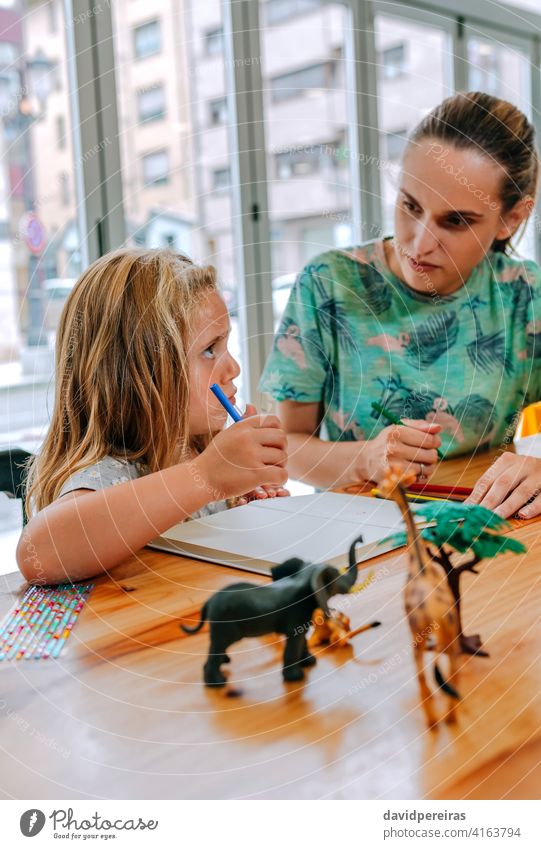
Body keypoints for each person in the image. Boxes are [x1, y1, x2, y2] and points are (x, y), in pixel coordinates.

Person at [259, 91, 541, 518]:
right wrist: (365, 460)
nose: (421, 243)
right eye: (410, 205)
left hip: (485, 528)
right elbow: (286, 446)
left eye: (456, 221)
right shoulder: (330, 284)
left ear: (512, 219)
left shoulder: (526, 296)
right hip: (352, 537)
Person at [18, 249, 288, 585]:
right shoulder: (112, 472)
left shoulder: (201, 449)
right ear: (138, 376)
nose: (233, 367)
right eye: (209, 350)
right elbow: (38, 554)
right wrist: (207, 477)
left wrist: (244, 512)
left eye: (226, 345)